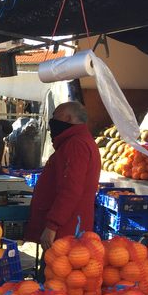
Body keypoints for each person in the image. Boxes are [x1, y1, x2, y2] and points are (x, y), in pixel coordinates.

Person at [23, 101, 100, 250]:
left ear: (67, 118)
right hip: (69, 226)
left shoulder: (76, 144)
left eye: (55, 116)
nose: (52, 121)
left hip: (67, 230)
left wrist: (52, 226)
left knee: (59, 269)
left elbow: (71, 189)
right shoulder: (76, 141)